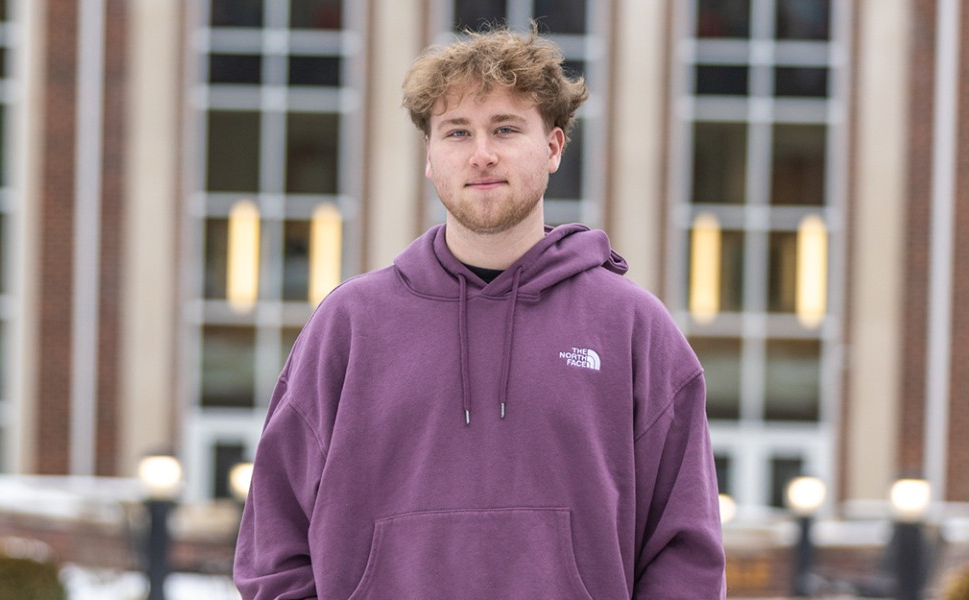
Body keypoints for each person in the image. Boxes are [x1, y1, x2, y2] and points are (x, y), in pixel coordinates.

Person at [233, 27, 725, 599]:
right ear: (430, 155)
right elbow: (274, 537)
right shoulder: (350, 324)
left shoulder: (633, 327)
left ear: (554, 147)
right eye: (457, 132)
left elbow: (684, 551)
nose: (481, 153)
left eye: (506, 129)